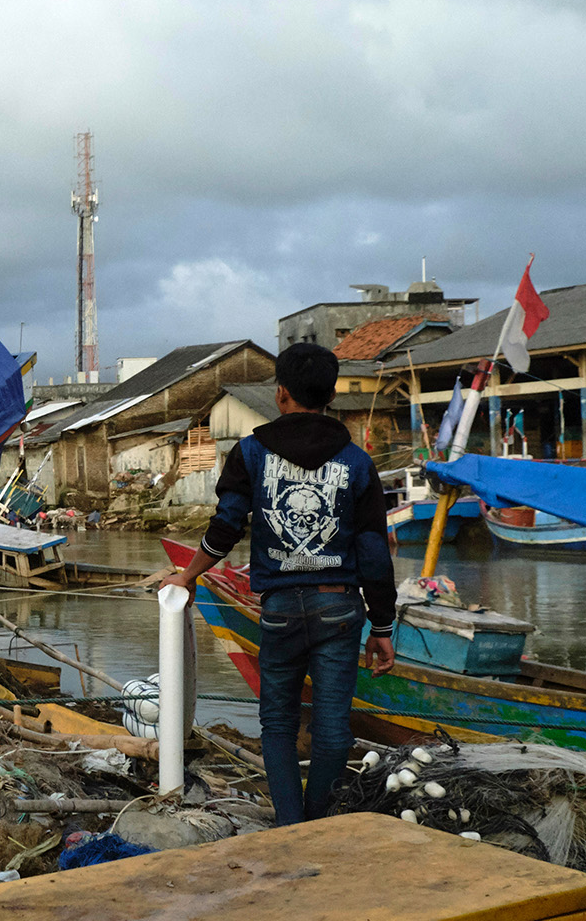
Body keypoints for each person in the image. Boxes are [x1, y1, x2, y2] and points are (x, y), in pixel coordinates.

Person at [161, 342, 396, 824]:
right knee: (333, 730)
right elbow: (372, 550)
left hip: (280, 608)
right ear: (331, 396)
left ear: (281, 394)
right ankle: (320, 824)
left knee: (278, 725)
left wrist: (186, 575)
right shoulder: (356, 462)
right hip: (339, 609)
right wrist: (384, 628)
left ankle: (290, 826)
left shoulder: (250, 452)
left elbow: (226, 527)